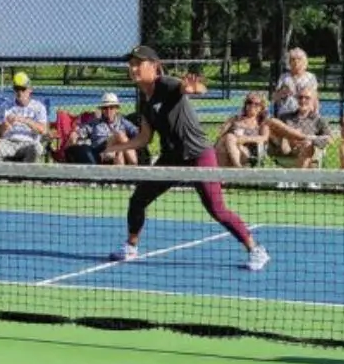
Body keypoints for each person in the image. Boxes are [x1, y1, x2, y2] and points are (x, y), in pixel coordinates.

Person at [101, 46, 269, 271]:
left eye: (138, 64)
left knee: (216, 209)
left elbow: (194, 88)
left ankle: (255, 249)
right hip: (171, 158)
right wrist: (118, 147)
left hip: (199, 154)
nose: (133, 68)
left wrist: (194, 88)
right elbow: (144, 137)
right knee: (138, 200)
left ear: (154, 66)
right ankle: (131, 246)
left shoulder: (166, 84)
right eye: (131, 64)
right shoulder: (144, 99)